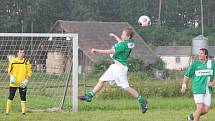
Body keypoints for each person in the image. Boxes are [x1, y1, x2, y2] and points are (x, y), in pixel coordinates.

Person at [79, 27, 148, 113]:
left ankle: (142, 101)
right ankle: (89, 96)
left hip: (120, 68)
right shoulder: (130, 42)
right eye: (122, 34)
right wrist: (115, 36)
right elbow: (121, 42)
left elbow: (109, 51)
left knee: (126, 87)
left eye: (123, 34)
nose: (121, 35)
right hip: (115, 67)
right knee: (102, 80)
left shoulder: (122, 45)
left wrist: (96, 50)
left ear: (128, 36)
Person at [181, 48, 215, 121]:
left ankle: (191, 117)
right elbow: (186, 75)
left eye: (201, 53)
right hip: (198, 88)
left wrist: (213, 83)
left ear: (206, 55)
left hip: (208, 90)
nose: (199, 55)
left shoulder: (211, 63)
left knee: (206, 109)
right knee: (199, 108)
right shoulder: (194, 64)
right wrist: (184, 85)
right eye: (199, 53)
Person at [6, 48, 32, 115]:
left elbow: (29, 72)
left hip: (22, 83)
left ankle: (23, 113)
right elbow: (9, 70)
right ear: (17, 53)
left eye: (23, 52)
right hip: (14, 83)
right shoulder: (13, 61)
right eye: (20, 52)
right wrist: (11, 76)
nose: (22, 53)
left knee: (23, 97)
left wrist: (26, 80)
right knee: (11, 96)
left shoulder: (26, 62)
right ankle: (7, 112)